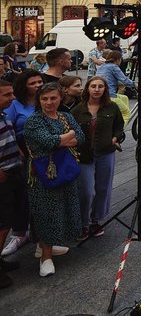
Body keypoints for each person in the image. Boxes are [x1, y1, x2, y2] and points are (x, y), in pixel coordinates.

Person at [24, 83, 84, 277]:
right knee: (46, 212)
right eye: (44, 99)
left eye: (53, 98)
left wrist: (61, 139)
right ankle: (45, 257)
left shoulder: (66, 116)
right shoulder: (34, 121)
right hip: (43, 174)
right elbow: (49, 141)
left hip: (64, 169)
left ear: (60, 98)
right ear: (39, 100)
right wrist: (68, 136)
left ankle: (47, 246)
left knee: (64, 207)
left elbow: (81, 137)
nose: (49, 102)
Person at [71, 76, 124, 238]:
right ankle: (83, 223)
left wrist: (115, 138)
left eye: (100, 86)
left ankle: (96, 220)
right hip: (84, 155)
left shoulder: (112, 107)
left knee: (103, 188)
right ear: (87, 88)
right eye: (93, 86)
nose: (96, 89)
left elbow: (119, 126)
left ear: (105, 89)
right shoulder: (77, 110)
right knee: (86, 191)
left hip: (106, 152)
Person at [0, 79, 25, 287]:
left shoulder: (3, 115)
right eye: (7, 95)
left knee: (7, 221)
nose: (13, 98)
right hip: (3, 178)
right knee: (2, 225)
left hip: (13, 173)